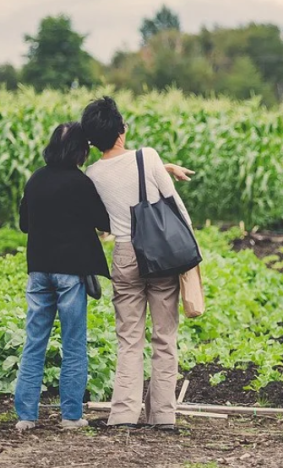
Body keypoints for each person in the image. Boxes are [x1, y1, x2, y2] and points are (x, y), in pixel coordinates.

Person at [81, 96, 204, 430]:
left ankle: (122, 414)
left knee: (128, 338)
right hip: (161, 255)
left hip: (124, 254)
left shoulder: (91, 174)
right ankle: (163, 415)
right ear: (121, 129)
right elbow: (175, 206)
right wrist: (190, 255)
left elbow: (104, 221)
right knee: (164, 337)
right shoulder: (147, 157)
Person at [14, 122, 110, 431]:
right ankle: (71, 417)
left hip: (39, 271)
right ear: (80, 151)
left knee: (34, 343)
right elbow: (103, 221)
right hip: (71, 274)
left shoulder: (35, 180)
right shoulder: (80, 183)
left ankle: (26, 417)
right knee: (73, 343)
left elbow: (25, 224)